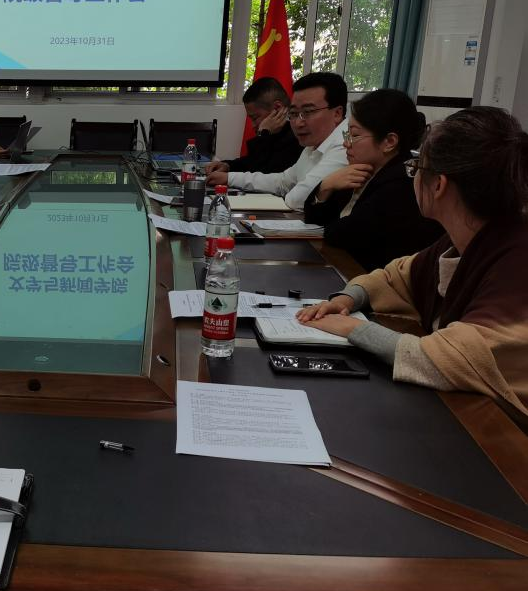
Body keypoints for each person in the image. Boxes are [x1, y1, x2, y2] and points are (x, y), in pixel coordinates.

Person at [297, 106, 528, 425]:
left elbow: (453, 359)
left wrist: (354, 329)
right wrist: (349, 298)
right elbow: (398, 276)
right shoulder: (466, 238)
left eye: (417, 167)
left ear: (439, 185)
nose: (413, 176)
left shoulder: (517, 260)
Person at [302, 89, 443, 271]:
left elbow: (340, 235)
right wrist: (326, 186)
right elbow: (313, 217)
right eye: (347, 135)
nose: (346, 143)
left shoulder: (401, 183)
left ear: (389, 142)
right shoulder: (364, 169)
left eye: (355, 135)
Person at [207, 71, 349, 211]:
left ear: (337, 113)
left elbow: (297, 199)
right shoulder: (314, 143)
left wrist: (263, 135)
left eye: (308, 112)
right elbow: (282, 182)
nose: (298, 123)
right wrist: (229, 178)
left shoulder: (345, 145)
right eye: (293, 113)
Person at [204, 77, 302, 178]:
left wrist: (263, 134)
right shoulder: (274, 134)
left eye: (255, 118)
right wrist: (228, 166)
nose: (253, 125)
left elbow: (260, 172)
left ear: (277, 108)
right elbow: (251, 161)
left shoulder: (297, 137)